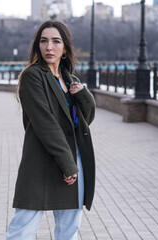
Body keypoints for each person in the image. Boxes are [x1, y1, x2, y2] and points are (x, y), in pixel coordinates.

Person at [6, 20, 96, 240]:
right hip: (42, 160)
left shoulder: (69, 79)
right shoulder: (32, 76)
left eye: (56, 41)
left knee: (69, 229)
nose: (49, 47)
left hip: (72, 159)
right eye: (44, 41)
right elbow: (45, 123)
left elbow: (85, 121)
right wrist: (68, 164)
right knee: (23, 228)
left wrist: (83, 95)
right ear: (38, 45)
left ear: (65, 48)